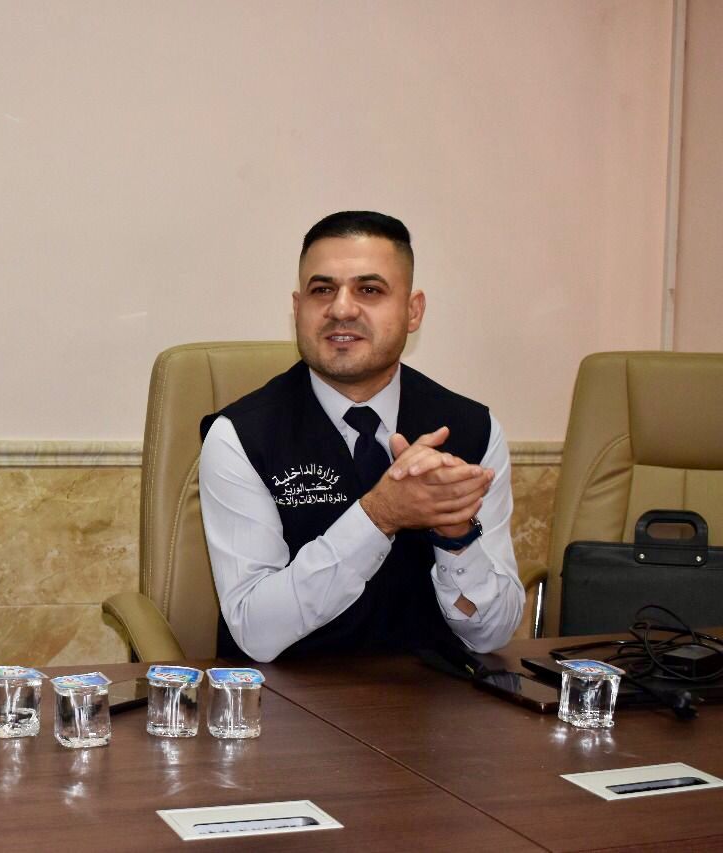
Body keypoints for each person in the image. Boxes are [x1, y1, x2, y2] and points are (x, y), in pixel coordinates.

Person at [199, 211, 523, 662]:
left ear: (413, 311)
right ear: (297, 308)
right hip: (289, 699)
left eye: (369, 290)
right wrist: (380, 515)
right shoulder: (239, 436)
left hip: (435, 698)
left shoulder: (473, 431)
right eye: (322, 290)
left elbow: (493, 636)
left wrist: (456, 534)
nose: (341, 309)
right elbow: (255, 632)